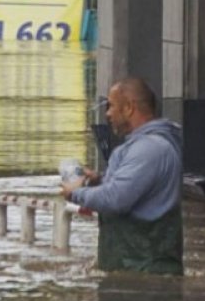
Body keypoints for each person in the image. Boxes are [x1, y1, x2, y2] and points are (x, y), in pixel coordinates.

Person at [61, 77, 184, 275]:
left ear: (129, 108)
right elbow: (133, 191)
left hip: (145, 276)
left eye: (111, 106)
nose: (108, 114)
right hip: (134, 270)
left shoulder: (149, 149)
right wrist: (99, 181)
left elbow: (115, 199)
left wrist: (76, 193)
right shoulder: (143, 147)